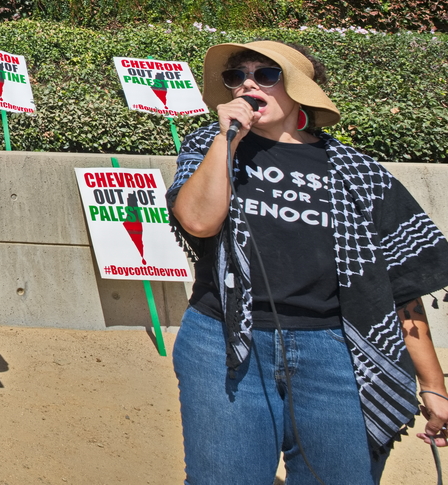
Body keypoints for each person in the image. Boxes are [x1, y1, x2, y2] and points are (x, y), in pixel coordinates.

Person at [169, 40, 448, 484]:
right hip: (222, 341)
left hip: (333, 351)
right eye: (237, 76)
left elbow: (401, 287)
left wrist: (433, 386)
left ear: (300, 89)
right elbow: (198, 221)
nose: (248, 85)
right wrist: (227, 140)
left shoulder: (358, 173)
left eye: (266, 75)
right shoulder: (210, 145)